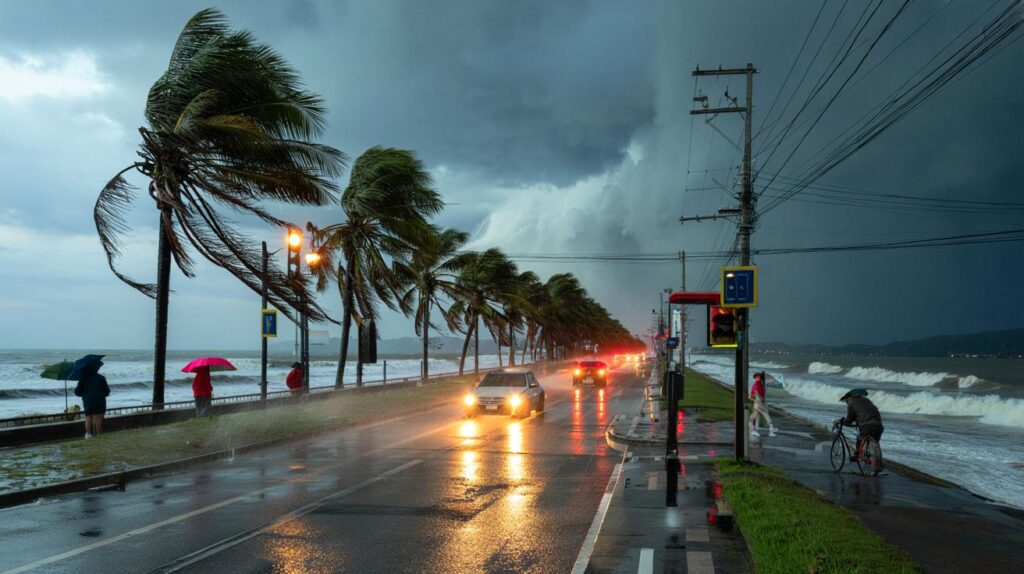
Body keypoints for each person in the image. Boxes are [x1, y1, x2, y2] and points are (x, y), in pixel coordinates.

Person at [837, 388, 884, 458]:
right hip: (879, 426)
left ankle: (858, 456)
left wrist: (842, 422)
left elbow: (849, 420)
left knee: (860, 440)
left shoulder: (851, 403)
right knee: (874, 443)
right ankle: (877, 462)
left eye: (846, 400)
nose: (846, 402)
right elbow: (865, 413)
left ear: (849, 397)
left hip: (867, 427)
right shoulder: (868, 400)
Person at [74, 361, 110, 439]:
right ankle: (98, 434)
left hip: (87, 400)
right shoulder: (101, 378)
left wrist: (85, 394)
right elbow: (107, 391)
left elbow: (77, 392)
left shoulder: (83, 378)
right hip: (99, 400)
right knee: (98, 417)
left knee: (88, 417)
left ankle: (88, 435)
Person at [748, 371, 778, 438]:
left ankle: (753, 431)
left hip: (757, 405)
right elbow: (772, 381)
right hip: (760, 405)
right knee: (766, 416)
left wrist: (755, 399)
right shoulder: (759, 384)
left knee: (752, 418)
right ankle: (771, 430)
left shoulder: (757, 384)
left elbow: (750, 396)